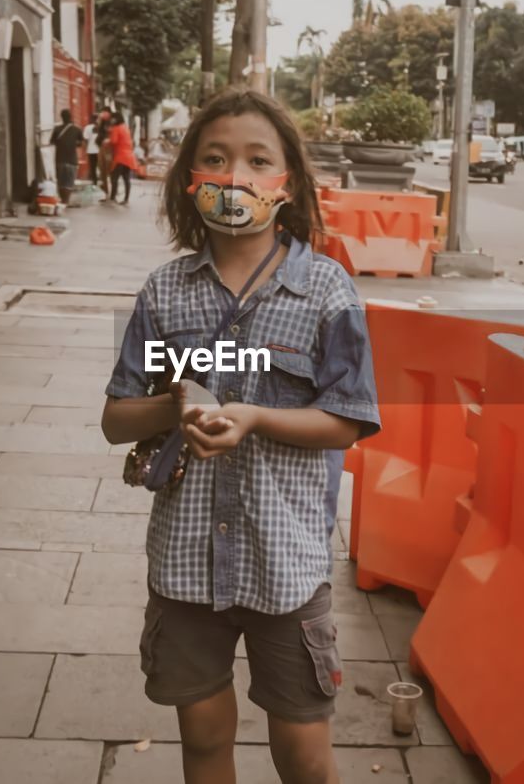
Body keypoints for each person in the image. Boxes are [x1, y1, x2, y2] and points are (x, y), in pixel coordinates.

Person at [101, 88, 381, 784]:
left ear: (287, 183)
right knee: (202, 737)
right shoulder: (164, 292)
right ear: (188, 177)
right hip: (185, 560)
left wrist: (255, 417)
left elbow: (348, 418)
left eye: (259, 160)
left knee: (305, 751)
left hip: (287, 562)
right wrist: (175, 405)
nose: (235, 178)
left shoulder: (328, 291)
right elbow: (115, 417)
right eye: (216, 159)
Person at [50, 108, 82, 204]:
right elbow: (80, 143)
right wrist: (73, 143)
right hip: (72, 160)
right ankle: (66, 201)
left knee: (61, 182)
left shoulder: (57, 129)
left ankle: (62, 201)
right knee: (69, 182)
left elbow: (52, 142)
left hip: (59, 159)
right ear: (71, 117)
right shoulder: (77, 129)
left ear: (62, 118)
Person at [107, 112, 139, 204]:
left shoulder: (116, 128)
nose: (111, 120)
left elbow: (114, 141)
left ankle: (113, 198)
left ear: (116, 119)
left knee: (114, 177)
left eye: (113, 118)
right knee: (126, 178)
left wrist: (107, 141)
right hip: (129, 157)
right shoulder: (125, 128)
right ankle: (126, 199)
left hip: (120, 157)